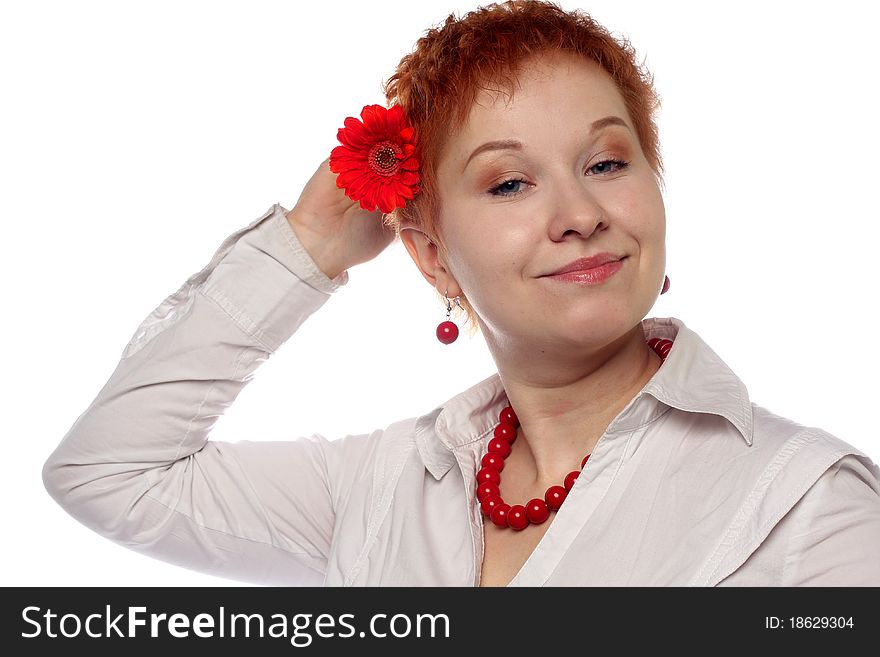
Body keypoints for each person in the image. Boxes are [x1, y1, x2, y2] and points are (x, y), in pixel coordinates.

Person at [42, 0, 880, 586]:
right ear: (433, 259)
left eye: (607, 163)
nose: (581, 214)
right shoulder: (379, 486)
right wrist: (307, 246)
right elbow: (109, 473)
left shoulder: (807, 504)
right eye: (510, 182)